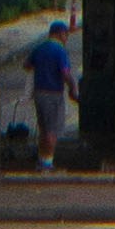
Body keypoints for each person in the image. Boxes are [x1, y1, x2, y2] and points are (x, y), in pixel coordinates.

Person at [27, 23, 76, 173]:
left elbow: (27, 65)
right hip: (53, 93)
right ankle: (47, 163)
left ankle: (42, 160)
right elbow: (65, 73)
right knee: (52, 130)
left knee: (43, 128)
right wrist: (72, 88)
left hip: (39, 93)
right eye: (66, 34)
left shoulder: (39, 47)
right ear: (60, 33)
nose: (66, 38)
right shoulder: (60, 50)